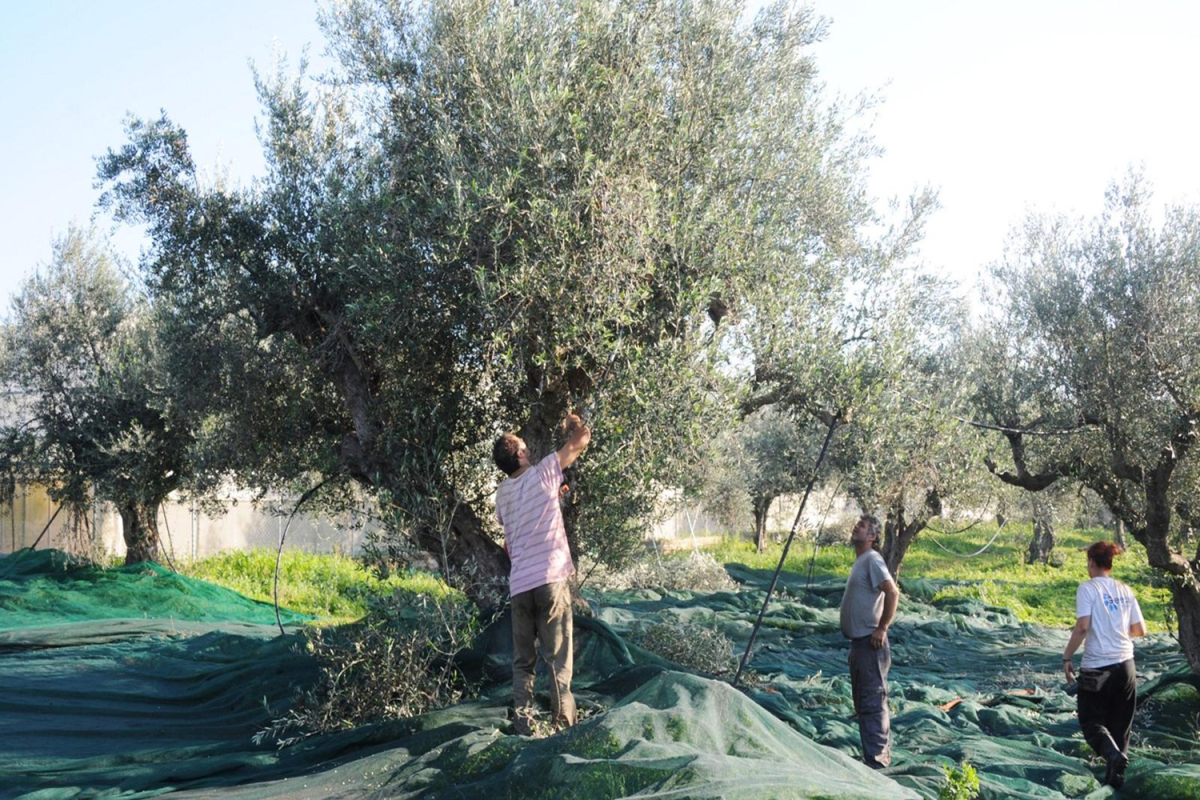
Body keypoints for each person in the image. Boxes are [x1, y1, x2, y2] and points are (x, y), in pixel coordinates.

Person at [492, 413, 591, 736]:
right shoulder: (546, 471)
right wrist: (573, 423)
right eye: (523, 445)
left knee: (523, 662)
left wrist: (551, 498)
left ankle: (524, 725)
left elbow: (510, 542)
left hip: (520, 585)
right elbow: (583, 439)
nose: (527, 447)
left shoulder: (502, 494)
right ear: (520, 454)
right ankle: (562, 728)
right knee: (558, 659)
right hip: (549, 580)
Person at [1062, 541, 1145, 789]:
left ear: (1091, 563)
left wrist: (1067, 656)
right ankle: (1115, 779)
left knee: (1091, 721)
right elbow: (1140, 629)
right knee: (1120, 726)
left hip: (1098, 667)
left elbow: (1083, 627)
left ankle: (1113, 757)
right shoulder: (1125, 590)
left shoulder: (1088, 589)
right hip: (1127, 667)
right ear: (1110, 563)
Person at [839, 514, 899, 769]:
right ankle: (871, 755)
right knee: (864, 701)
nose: (856, 527)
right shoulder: (862, 561)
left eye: (862, 526)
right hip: (859, 644)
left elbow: (892, 591)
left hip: (870, 644)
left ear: (872, 536)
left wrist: (882, 628)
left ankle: (877, 762)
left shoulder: (873, 559)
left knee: (873, 701)